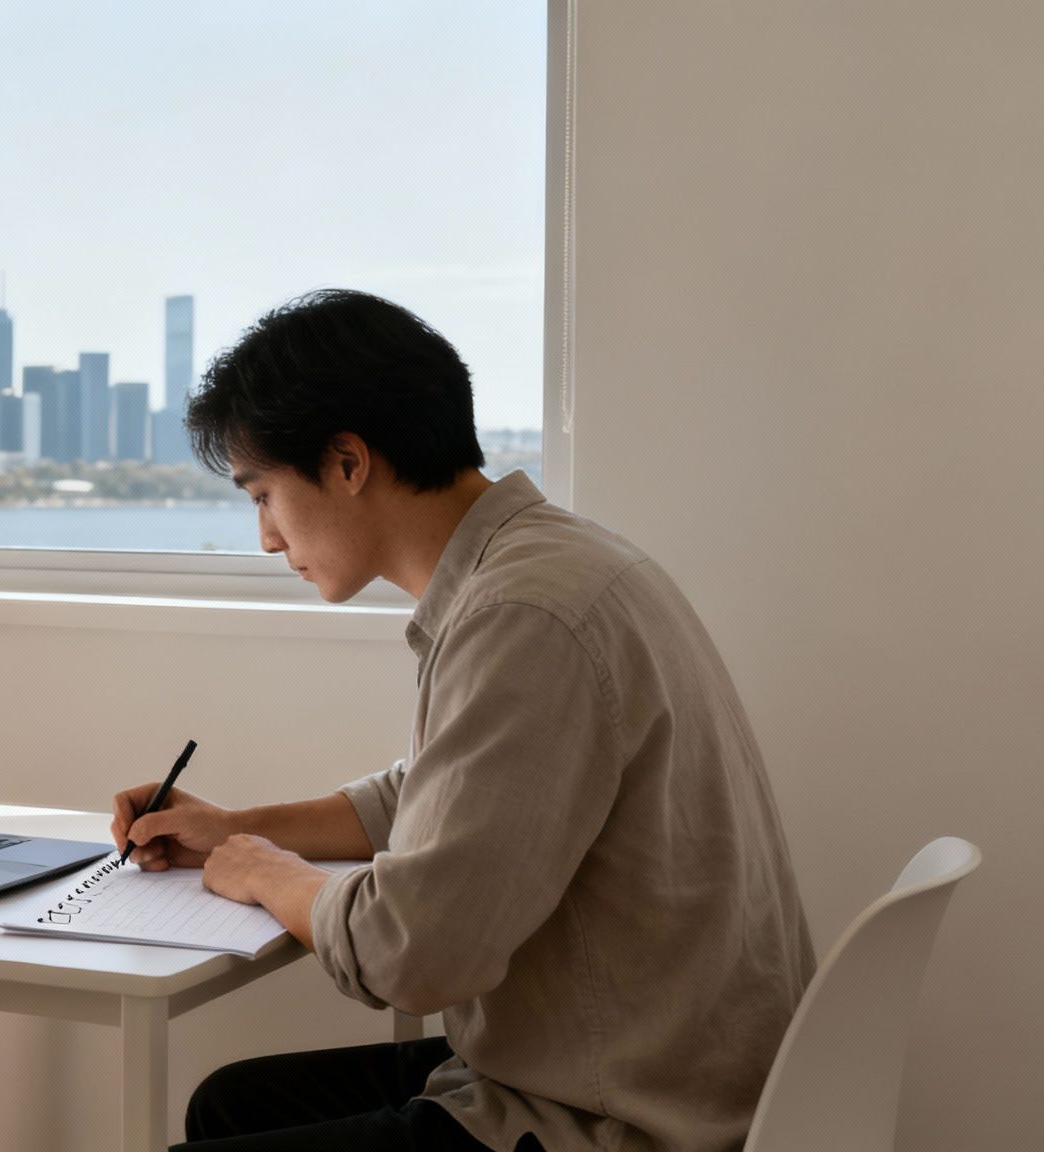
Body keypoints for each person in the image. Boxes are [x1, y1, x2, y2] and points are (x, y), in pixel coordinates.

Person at [111, 290, 815, 1152]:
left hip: (622, 1115)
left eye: (263, 494)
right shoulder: (555, 563)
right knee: (232, 1104)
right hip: (657, 1064)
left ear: (346, 462)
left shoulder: (523, 614)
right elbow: (446, 797)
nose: (263, 536)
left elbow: (408, 951)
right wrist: (231, 829)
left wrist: (266, 873)